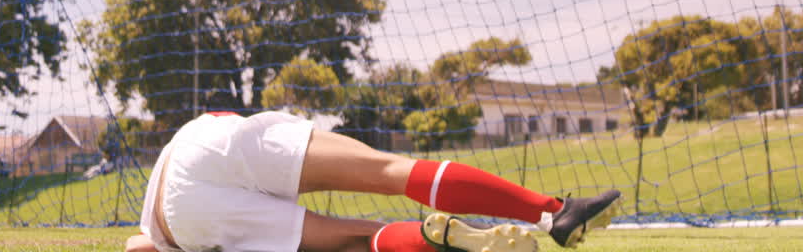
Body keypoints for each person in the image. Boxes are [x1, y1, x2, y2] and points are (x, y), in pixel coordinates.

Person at [124, 111, 620, 252]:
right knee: (388, 171)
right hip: (203, 144)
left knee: (356, 240)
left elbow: (136, 249)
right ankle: (553, 211)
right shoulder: (198, 132)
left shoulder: (161, 229)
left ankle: (434, 241)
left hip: (187, 222)